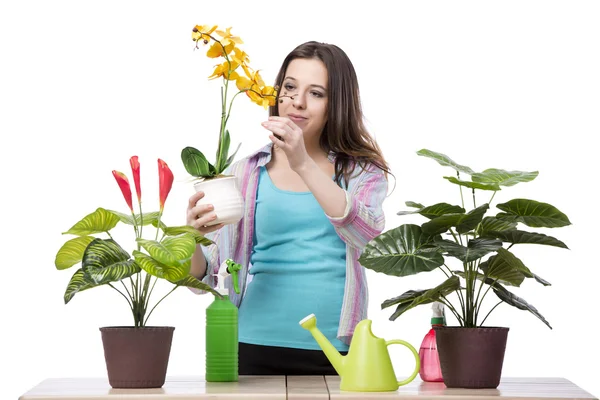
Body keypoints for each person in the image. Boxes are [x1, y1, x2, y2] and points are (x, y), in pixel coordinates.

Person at [186, 41, 391, 375]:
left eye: (316, 93)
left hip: (337, 348)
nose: (297, 102)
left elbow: (366, 237)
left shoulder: (362, 172)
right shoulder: (245, 172)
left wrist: (303, 163)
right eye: (290, 87)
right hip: (252, 343)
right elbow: (207, 278)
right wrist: (191, 237)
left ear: (335, 105)